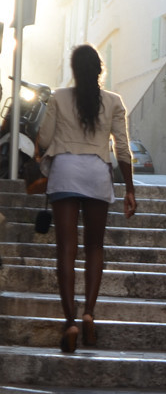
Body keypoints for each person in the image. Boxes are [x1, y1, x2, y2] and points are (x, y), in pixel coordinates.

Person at [35, 43, 137, 353]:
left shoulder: (59, 97)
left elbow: (45, 138)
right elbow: (122, 149)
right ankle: (89, 313)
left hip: (65, 170)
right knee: (95, 247)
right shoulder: (113, 102)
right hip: (96, 174)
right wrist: (130, 189)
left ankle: (71, 323)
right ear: (99, 70)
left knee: (66, 250)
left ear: (74, 70)